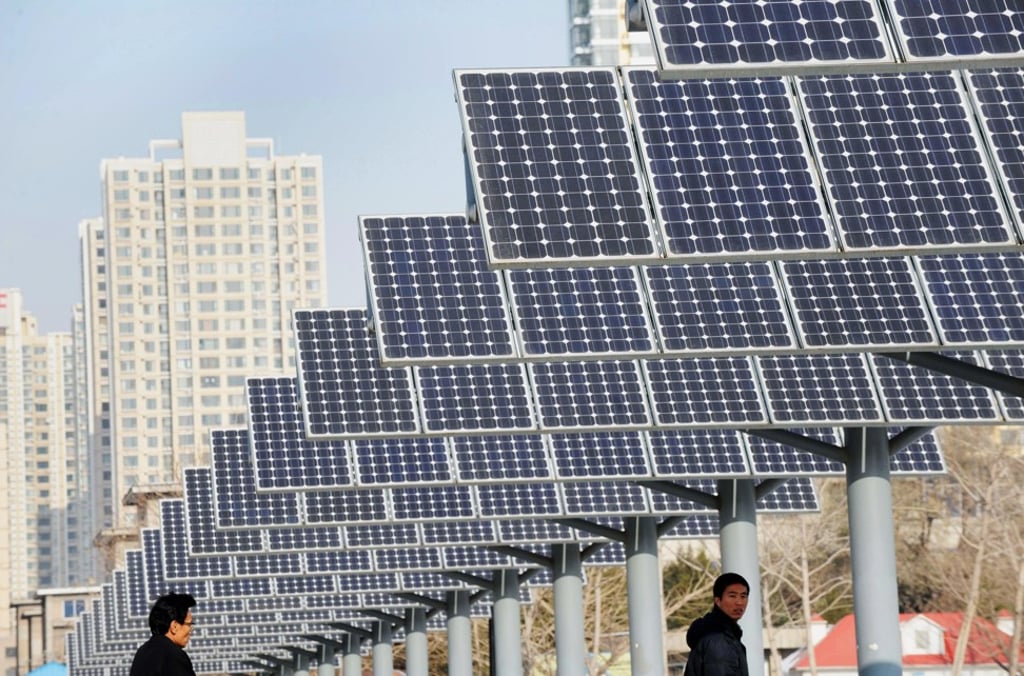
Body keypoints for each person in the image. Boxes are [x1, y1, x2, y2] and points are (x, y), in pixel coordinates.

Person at [684, 572, 750, 676]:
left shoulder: (724, 635)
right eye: (732, 596)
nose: (739, 602)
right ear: (718, 601)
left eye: (743, 596)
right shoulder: (718, 640)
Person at [129, 592, 197, 676]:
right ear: (174, 627)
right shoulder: (173, 656)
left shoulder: (142, 652)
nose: (191, 630)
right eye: (189, 624)